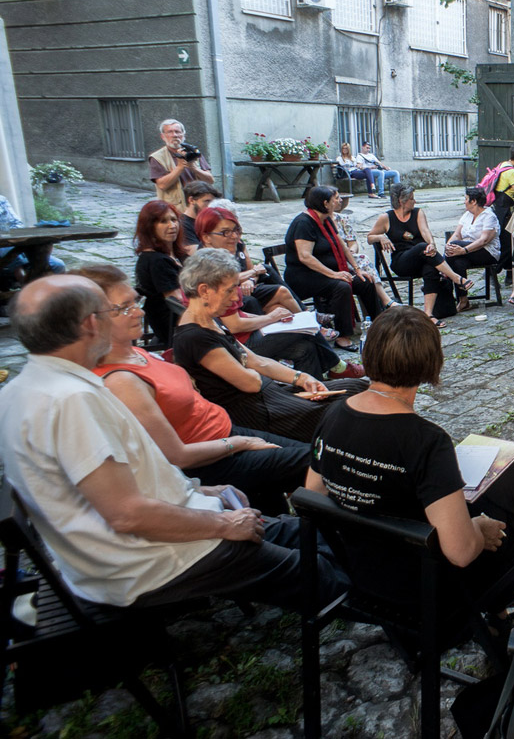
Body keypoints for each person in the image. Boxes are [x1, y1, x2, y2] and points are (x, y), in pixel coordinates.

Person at [0, 274, 345, 611]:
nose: (137, 312)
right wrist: (224, 522)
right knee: (326, 572)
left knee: (312, 535)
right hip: (153, 561)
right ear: (92, 323)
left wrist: (199, 491)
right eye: (118, 309)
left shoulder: (21, 390)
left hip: (156, 539)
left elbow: (116, 487)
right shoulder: (71, 400)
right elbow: (127, 515)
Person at [305, 306, 514, 621]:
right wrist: (478, 529)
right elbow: (461, 552)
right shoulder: (425, 440)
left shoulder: (333, 414)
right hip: (423, 584)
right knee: (505, 513)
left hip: (360, 566)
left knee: (506, 472)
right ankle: (506, 608)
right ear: (431, 362)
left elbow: (313, 493)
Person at [79, 265, 310, 514]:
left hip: (224, 430)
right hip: (212, 457)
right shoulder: (121, 380)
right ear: (92, 321)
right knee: (320, 461)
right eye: (124, 308)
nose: (139, 312)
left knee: (296, 473)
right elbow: (177, 456)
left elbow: (249, 363)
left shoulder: (136, 352)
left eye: (136, 302)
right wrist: (239, 443)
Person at [172, 249, 367, 443]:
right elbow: (250, 382)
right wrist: (286, 385)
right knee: (345, 410)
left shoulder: (210, 320)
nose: (235, 298)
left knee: (357, 387)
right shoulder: (195, 337)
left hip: (269, 397)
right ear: (204, 291)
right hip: (259, 411)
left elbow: (257, 361)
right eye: (230, 290)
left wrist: (302, 378)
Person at [197, 208, 361, 381]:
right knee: (307, 329)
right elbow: (235, 326)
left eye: (236, 230)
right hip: (235, 345)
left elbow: (235, 314)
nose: (234, 237)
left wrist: (273, 318)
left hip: (240, 335)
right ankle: (336, 366)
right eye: (225, 232)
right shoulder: (211, 269)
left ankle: (314, 391)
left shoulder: (220, 261)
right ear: (206, 237)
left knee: (305, 348)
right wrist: (271, 318)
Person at [283, 185, 384, 350]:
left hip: (328, 272)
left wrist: (357, 269)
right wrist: (333, 274)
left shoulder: (326, 220)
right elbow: (305, 256)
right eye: (336, 198)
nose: (340, 201)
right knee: (341, 286)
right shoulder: (304, 223)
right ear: (325, 203)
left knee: (365, 281)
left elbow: (342, 245)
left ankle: (379, 324)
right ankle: (343, 335)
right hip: (304, 276)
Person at [367, 184, 472, 325]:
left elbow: (425, 231)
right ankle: (456, 278)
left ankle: (428, 315)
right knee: (422, 247)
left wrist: (432, 244)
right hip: (402, 261)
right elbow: (369, 237)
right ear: (402, 201)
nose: (414, 201)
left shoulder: (418, 213)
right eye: (411, 199)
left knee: (430, 267)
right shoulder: (386, 217)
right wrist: (381, 237)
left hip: (423, 258)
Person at [133, 199, 188, 346]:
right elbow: (178, 301)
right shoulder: (156, 260)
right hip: (174, 324)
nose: (172, 226)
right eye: (163, 221)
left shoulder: (175, 254)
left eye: (174, 220)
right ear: (150, 227)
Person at [330, 192, 396, 311]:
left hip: (349, 256)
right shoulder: (322, 222)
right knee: (363, 262)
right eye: (337, 198)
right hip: (334, 259)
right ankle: (385, 300)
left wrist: (351, 250)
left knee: (364, 268)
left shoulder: (342, 219)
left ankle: (381, 303)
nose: (341, 200)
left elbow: (352, 242)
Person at [442, 187, 502, 315]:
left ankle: (444, 274)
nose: (464, 202)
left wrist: (463, 250)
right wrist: (448, 246)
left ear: (473, 201)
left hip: (486, 252)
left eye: (466, 199)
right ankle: (463, 300)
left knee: (455, 246)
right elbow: (457, 234)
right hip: (468, 252)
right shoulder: (467, 215)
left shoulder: (489, 216)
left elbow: (483, 240)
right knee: (458, 263)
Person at [0, 192, 65, 294]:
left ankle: (57, 297)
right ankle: (29, 292)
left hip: (14, 246)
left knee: (58, 265)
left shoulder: (1, 200)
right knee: (17, 258)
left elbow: (17, 224)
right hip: (6, 251)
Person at [149, 118, 215, 209]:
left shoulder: (194, 152)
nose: (174, 135)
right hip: (175, 208)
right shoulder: (157, 157)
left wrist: (194, 168)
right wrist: (179, 167)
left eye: (177, 132)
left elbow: (210, 180)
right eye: (170, 132)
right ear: (163, 136)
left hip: (198, 205)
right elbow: (162, 185)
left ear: (183, 135)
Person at [489, 143, 514, 228]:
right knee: (505, 231)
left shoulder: (503, 164)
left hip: (496, 202)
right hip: (504, 206)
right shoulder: (512, 172)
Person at [179, 180, 220, 254]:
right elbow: (195, 253)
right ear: (191, 200)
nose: (210, 206)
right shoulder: (183, 224)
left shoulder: (208, 220)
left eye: (213, 202)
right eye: (207, 201)